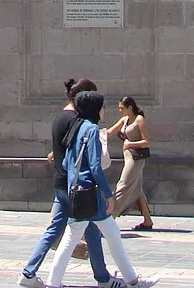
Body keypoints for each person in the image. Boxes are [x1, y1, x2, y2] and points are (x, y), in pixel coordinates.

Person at [46, 91, 156, 288]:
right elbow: (95, 167)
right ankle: (132, 281)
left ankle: (53, 283)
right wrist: (108, 194)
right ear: (95, 109)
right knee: (109, 235)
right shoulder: (91, 130)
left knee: (75, 237)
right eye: (103, 106)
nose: (105, 110)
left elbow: (67, 162)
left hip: (77, 191)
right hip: (91, 193)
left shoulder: (76, 128)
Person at [17, 79, 119, 288]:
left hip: (62, 183)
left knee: (58, 230)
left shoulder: (60, 117)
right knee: (90, 230)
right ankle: (103, 278)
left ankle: (29, 273)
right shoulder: (76, 120)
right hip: (75, 185)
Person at [109, 96, 153, 231]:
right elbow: (110, 132)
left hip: (136, 159)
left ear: (130, 107)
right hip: (128, 157)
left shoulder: (139, 120)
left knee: (123, 185)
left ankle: (109, 218)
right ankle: (147, 220)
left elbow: (147, 142)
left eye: (122, 108)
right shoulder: (124, 120)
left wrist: (130, 144)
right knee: (137, 189)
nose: (120, 110)